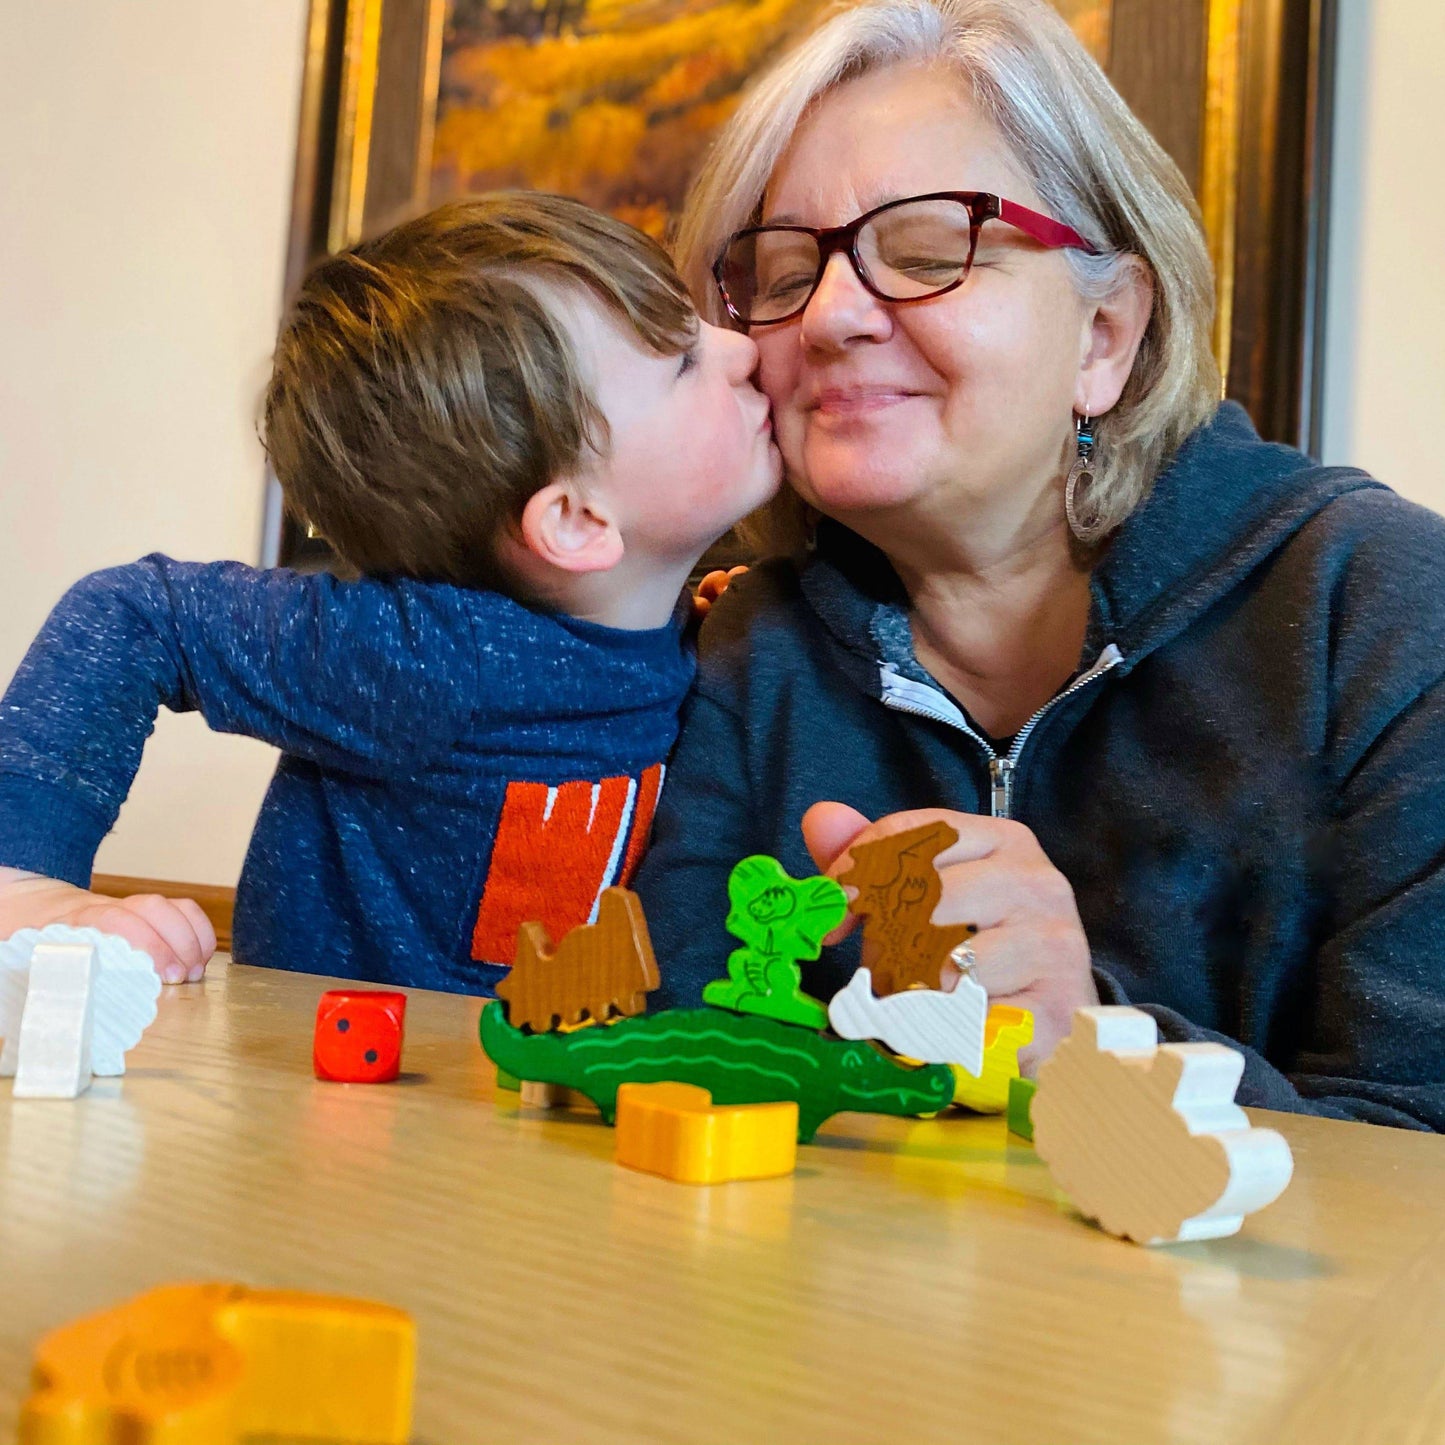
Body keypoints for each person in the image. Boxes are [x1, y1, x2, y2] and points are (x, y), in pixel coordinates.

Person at [634, 0, 1445, 1129]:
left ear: (1105, 333)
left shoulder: (1384, 613)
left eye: (924, 251)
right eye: (777, 274)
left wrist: (1092, 1046)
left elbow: (1418, 1168)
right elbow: (670, 1081)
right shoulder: (746, 644)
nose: (825, 317)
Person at [0, 193, 780, 991]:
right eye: (685, 361)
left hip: (527, 1098)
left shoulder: (705, 635)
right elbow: (138, 614)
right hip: (335, 1093)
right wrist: (24, 877)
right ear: (577, 521)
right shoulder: (432, 659)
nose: (742, 350)